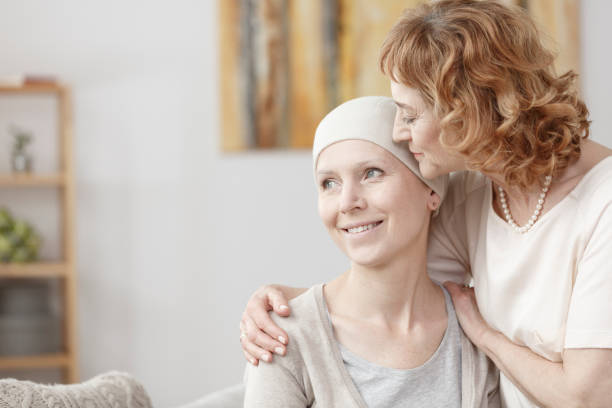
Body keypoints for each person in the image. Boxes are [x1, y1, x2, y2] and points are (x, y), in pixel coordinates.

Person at [239, 1, 612, 407]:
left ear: (465, 111)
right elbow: (389, 288)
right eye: (328, 182)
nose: (400, 132)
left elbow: (589, 396)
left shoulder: (601, 204)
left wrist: (485, 335)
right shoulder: (474, 192)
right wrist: (285, 300)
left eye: (410, 115)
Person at [243, 95, 499, 407]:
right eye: (329, 183)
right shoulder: (280, 336)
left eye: (372, 173)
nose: (348, 202)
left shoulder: (478, 330)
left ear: (431, 190)